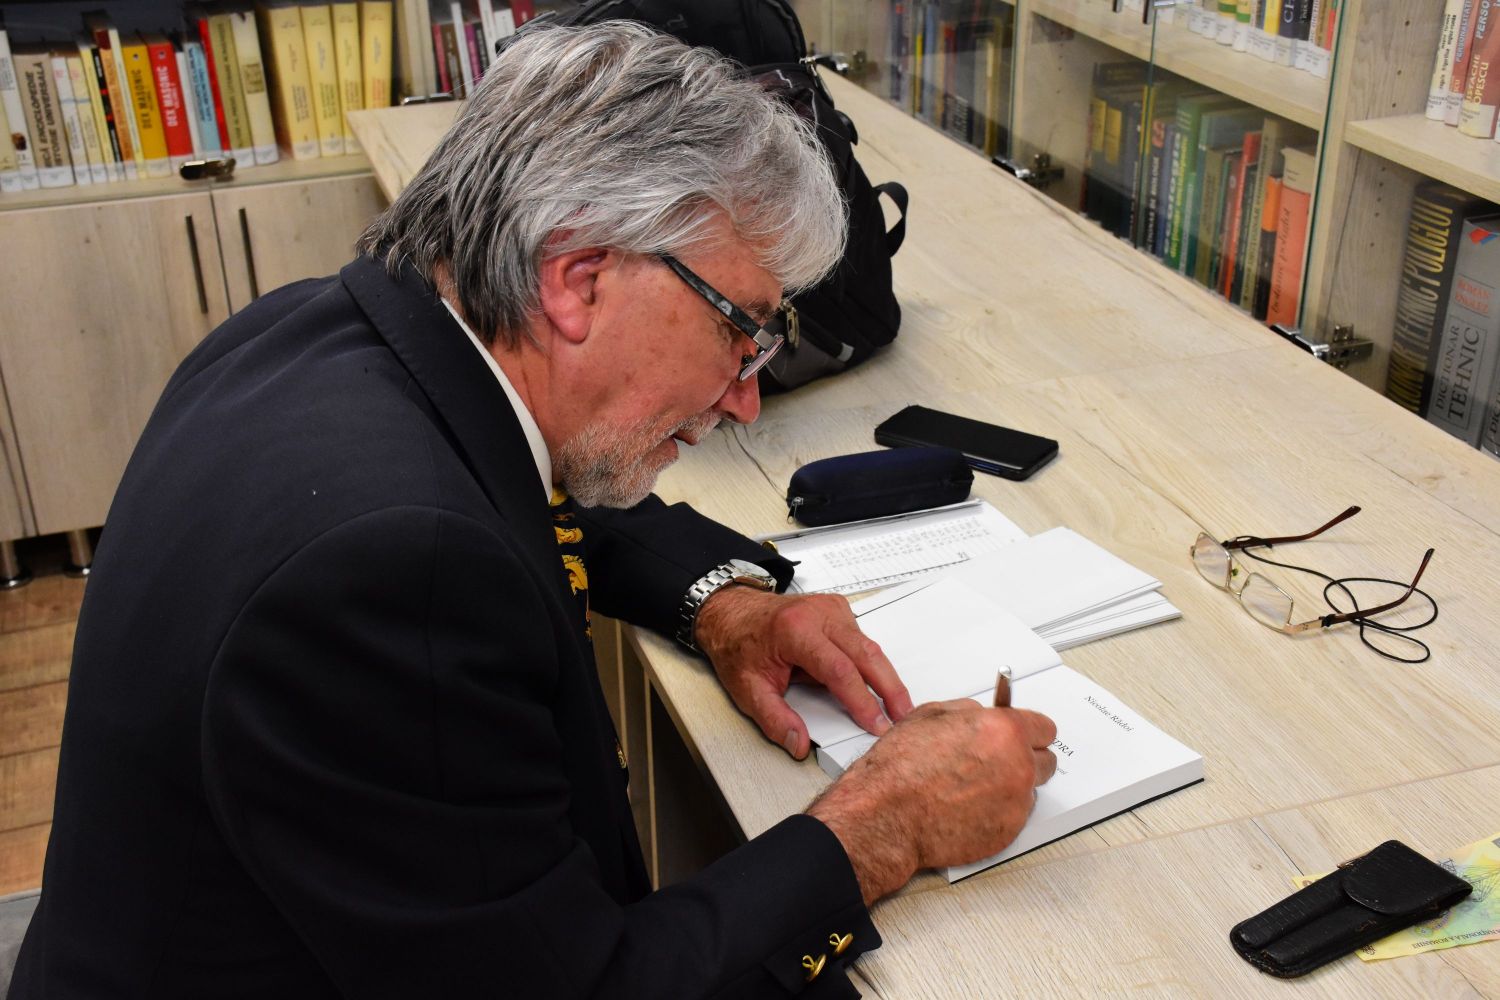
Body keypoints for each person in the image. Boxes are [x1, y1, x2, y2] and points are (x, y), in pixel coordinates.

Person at [11, 22, 1056, 999]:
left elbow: (519, 485)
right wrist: (884, 823)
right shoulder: (393, 573)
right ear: (578, 278)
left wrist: (723, 603)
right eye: (742, 331)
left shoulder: (328, 335)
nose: (745, 398)